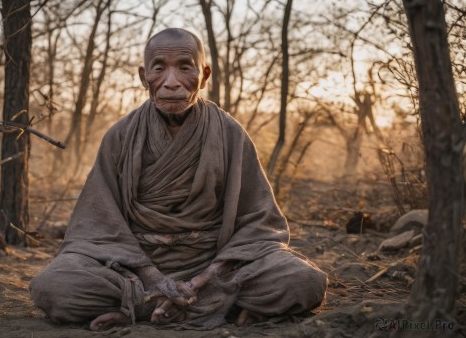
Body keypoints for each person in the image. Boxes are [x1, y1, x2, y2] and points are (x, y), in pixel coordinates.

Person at [30, 27, 327, 331]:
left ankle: (149, 306)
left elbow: (259, 221)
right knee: (52, 286)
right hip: (134, 269)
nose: (171, 83)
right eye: (160, 68)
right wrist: (154, 278)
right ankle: (198, 305)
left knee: (305, 281)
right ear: (144, 75)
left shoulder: (229, 133)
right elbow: (96, 224)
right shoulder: (120, 135)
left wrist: (205, 277)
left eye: (185, 67)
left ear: (204, 74)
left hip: (214, 268)